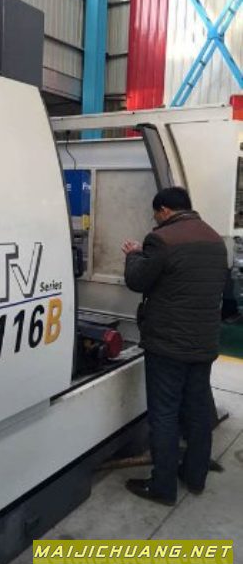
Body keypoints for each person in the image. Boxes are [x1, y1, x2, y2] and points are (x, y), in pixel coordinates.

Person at [121, 186, 227, 506]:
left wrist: (133, 254)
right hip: (204, 342)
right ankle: (194, 477)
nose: (156, 220)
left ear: (164, 210)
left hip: (168, 345)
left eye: (156, 214)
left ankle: (162, 487)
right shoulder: (214, 238)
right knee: (197, 412)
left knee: (164, 414)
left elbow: (138, 280)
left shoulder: (162, 240)